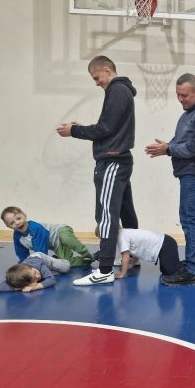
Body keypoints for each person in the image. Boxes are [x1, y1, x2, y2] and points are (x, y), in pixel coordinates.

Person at [57, 55, 139, 286]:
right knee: (125, 211)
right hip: (119, 159)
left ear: (106, 70)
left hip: (112, 161)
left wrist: (74, 131)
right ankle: (132, 255)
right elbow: (109, 128)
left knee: (106, 215)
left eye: (96, 78)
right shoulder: (120, 91)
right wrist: (82, 128)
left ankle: (104, 270)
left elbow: (105, 128)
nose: (96, 83)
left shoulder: (117, 90)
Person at [145, 73, 195, 285]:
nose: (180, 99)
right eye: (178, 95)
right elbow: (182, 141)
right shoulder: (190, 113)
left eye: (184, 95)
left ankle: (192, 270)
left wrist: (168, 149)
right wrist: (167, 147)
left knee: (189, 218)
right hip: (190, 172)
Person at [0, 206, 94, 266]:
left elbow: (41, 253)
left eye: (18, 218)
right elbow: (21, 253)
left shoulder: (35, 228)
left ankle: (87, 254)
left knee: (66, 238)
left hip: (60, 231)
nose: (17, 223)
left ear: (24, 216)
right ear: (8, 226)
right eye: (12, 223)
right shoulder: (17, 238)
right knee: (67, 262)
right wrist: (24, 266)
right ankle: (89, 259)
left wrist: (40, 265)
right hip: (56, 243)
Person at [112, 228, 194, 285]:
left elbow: (125, 257)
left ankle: (191, 270)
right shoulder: (125, 232)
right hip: (165, 244)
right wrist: (132, 264)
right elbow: (136, 250)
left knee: (171, 272)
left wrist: (122, 274)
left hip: (166, 245)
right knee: (165, 271)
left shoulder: (121, 237)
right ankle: (186, 265)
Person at [0, 252, 70, 293]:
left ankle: (57, 259)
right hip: (32, 265)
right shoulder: (20, 276)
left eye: (35, 272)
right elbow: (0, 287)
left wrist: (35, 286)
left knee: (65, 268)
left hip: (41, 258)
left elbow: (52, 280)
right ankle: (48, 271)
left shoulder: (38, 265)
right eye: (35, 279)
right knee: (53, 273)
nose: (38, 276)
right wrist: (21, 286)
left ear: (31, 268)